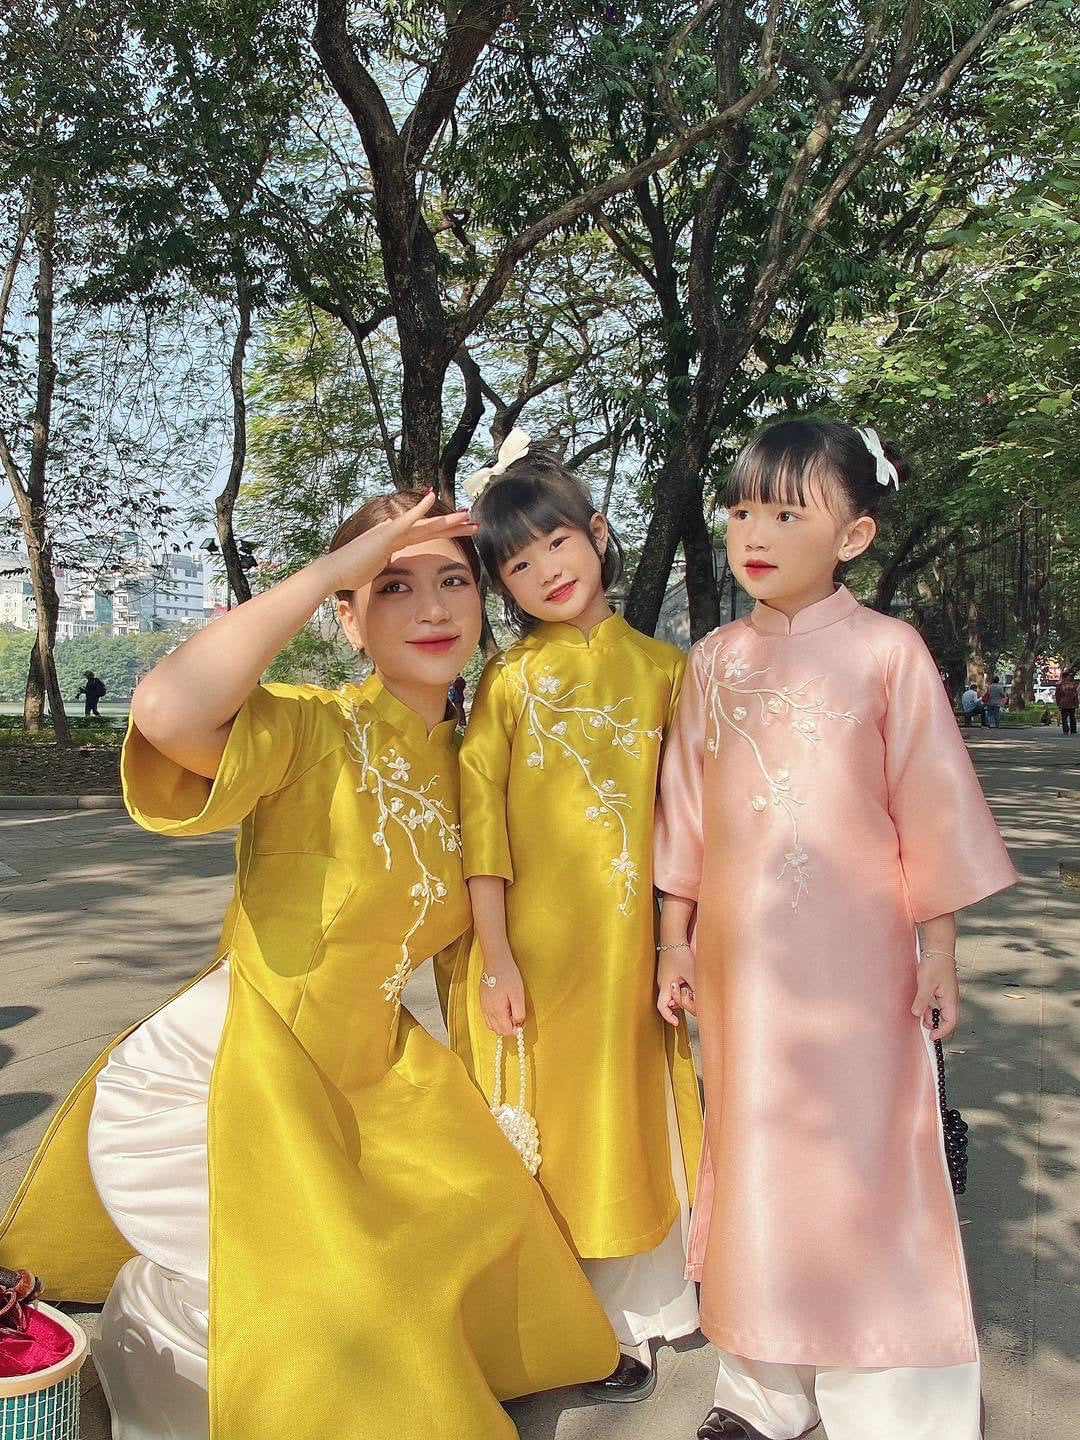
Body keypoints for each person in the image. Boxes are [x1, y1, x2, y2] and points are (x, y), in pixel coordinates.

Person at [0, 489, 618, 1440]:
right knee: (350, 1312)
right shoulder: (308, 728)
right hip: (242, 1068)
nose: (431, 609)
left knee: (481, 1214)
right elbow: (166, 710)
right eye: (392, 585)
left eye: (454, 581)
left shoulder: (480, 757)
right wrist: (334, 564)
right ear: (346, 616)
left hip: (374, 1068)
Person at [654, 419, 1018, 1440]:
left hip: (862, 965)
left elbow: (931, 811)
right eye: (740, 510)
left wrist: (940, 950)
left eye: (785, 511)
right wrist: (674, 940)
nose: (753, 532)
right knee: (757, 1150)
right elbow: (683, 811)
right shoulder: (713, 661)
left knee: (871, 1155)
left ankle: (892, 1400)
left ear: (852, 538)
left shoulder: (890, 653)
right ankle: (763, 1390)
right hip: (739, 970)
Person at [451, 431, 702, 1403]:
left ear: (599, 535)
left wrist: (679, 942)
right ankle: (554, 1320)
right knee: (546, 1131)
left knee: (635, 1124)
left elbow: (690, 826)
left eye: (556, 543)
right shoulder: (510, 683)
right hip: (537, 960)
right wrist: (497, 957)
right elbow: (482, 829)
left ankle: (636, 1324)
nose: (542, 570)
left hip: (636, 955)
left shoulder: (666, 672)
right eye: (516, 563)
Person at [1055, 668, 1077, 735]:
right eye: (1068, 676)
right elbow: (1075, 695)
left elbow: (1057, 695)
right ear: (1067, 677)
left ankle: (1066, 730)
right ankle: (1073, 730)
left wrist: (1058, 703)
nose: (1069, 677)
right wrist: (1076, 703)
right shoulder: (1072, 685)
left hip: (1063, 703)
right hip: (1070, 703)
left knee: (1065, 718)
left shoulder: (1060, 685)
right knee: (1071, 717)